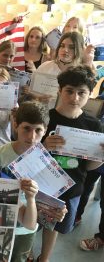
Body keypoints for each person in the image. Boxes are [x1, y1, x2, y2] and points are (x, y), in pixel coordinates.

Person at [38, 65, 104, 262]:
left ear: (90, 94)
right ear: (59, 90)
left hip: (71, 188)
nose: (75, 98)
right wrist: (43, 146)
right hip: (40, 184)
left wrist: (100, 156)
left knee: (54, 226)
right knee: (29, 222)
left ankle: (44, 259)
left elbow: (89, 167)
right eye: (69, 91)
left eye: (81, 92)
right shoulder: (45, 117)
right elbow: (25, 154)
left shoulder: (93, 125)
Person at [0, 101, 66, 261]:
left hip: (26, 230)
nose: (32, 137)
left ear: (45, 130)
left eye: (38, 130)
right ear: (15, 125)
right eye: (26, 128)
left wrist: (56, 211)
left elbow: (49, 199)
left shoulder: (48, 162)